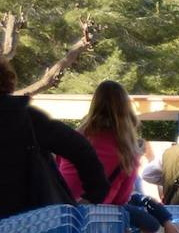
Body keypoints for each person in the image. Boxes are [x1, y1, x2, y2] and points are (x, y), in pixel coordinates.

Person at [1, 62, 108, 217]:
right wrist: (93, 196)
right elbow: (80, 148)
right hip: (36, 223)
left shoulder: (26, 117)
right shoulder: (26, 117)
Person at [57, 80, 143, 206]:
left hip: (60, 211)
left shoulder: (72, 138)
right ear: (126, 109)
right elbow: (121, 199)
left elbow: (59, 174)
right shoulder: (127, 150)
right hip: (95, 217)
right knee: (150, 222)